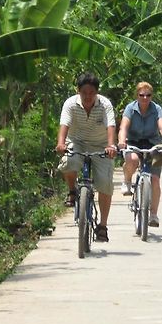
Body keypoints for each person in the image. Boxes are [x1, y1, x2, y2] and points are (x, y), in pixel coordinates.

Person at [56, 73, 117, 242]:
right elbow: (64, 125)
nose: (88, 96)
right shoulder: (70, 103)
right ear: (78, 91)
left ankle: (103, 226)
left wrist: (111, 146)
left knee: (105, 184)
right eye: (84, 92)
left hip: (101, 145)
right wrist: (61, 144)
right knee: (69, 162)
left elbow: (110, 125)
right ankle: (72, 191)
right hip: (77, 141)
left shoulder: (105, 104)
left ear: (97, 92)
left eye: (91, 93)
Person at [117, 82, 162, 228]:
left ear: (151, 96)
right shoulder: (130, 108)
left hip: (152, 144)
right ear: (137, 96)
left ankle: (153, 215)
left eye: (148, 95)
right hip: (134, 142)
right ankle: (128, 180)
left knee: (155, 179)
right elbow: (123, 127)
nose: (145, 98)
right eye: (141, 95)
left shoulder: (157, 109)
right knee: (133, 159)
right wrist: (122, 141)